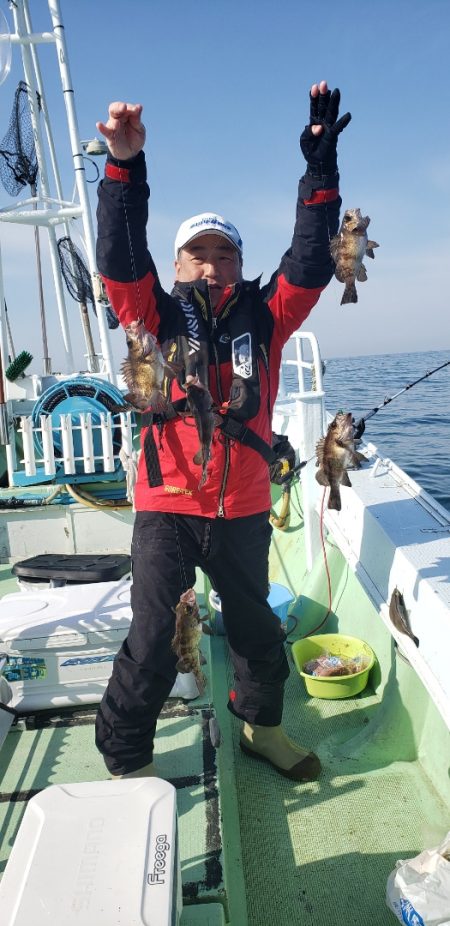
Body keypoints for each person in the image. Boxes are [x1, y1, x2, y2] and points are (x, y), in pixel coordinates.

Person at [95, 81, 351, 781]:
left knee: (258, 632)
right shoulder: (152, 314)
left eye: (225, 254)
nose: (211, 265)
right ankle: (124, 760)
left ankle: (262, 730)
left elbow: (310, 260)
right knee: (151, 638)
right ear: (176, 266)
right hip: (168, 509)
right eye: (197, 255)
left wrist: (320, 167)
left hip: (240, 510)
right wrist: (124, 168)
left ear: (240, 263)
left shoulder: (269, 316)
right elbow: (119, 257)